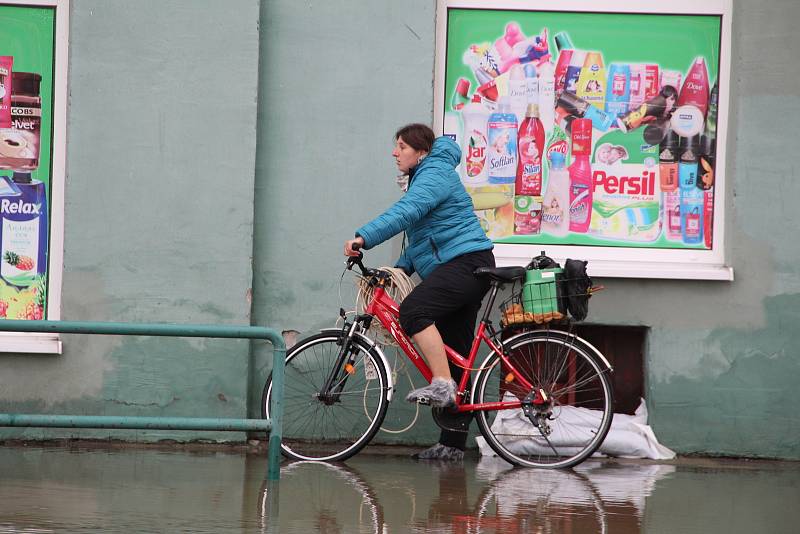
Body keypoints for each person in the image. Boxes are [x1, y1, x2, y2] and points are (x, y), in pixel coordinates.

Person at [344, 123, 495, 461]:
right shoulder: (424, 177)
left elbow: (404, 214)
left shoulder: (435, 173)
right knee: (455, 353)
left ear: (421, 152)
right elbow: (422, 243)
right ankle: (452, 444)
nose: (394, 152)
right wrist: (395, 271)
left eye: (401, 146)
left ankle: (441, 384)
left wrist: (363, 237)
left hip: (466, 263)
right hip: (458, 267)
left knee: (414, 311)